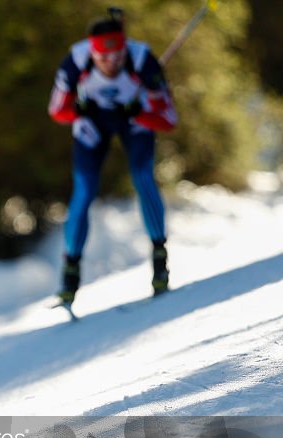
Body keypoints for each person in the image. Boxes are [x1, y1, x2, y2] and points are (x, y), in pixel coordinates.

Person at [48, 13, 177, 304]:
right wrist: (81, 111)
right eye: (102, 57)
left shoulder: (143, 62)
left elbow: (168, 119)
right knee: (84, 190)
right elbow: (57, 111)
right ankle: (70, 271)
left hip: (133, 120)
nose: (110, 63)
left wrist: (138, 113)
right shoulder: (75, 63)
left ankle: (159, 258)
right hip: (92, 125)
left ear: (124, 49)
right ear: (92, 52)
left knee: (143, 177)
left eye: (117, 55)